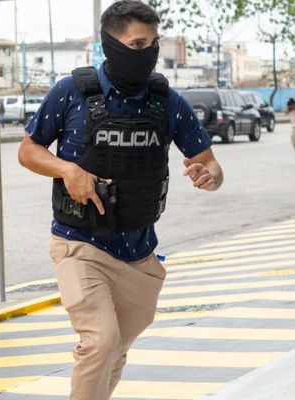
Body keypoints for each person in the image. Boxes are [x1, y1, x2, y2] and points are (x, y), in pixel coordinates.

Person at [17, 2, 223, 399]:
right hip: (80, 244)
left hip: (140, 253)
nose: (147, 52)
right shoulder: (71, 92)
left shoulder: (167, 101)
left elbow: (209, 163)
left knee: (116, 349)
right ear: (110, 45)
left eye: (153, 43)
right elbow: (29, 150)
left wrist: (209, 176)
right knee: (100, 341)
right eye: (137, 43)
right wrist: (67, 170)